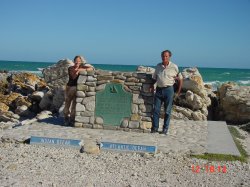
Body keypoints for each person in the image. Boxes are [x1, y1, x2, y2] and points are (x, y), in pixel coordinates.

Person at [151, 50, 183, 135]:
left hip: (169, 90)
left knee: (167, 111)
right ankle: (155, 128)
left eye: (166, 56)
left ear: (169, 57)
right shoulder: (158, 66)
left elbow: (180, 79)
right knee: (156, 110)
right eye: (163, 56)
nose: (164, 58)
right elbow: (154, 78)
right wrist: (151, 86)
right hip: (158, 90)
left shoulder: (174, 67)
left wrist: (178, 92)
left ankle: (165, 129)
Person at [64, 55, 94, 126]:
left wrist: (80, 70)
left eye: (79, 61)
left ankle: (71, 119)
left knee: (74, 104)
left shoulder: (82, 68)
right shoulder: (70, 68)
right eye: (76, 61)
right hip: (69, 88)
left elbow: (91, 68)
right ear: (74, 61)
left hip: (76, 89)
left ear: (81, 61)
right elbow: (73, 77)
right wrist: (77, 70)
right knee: (67, 103)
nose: (77, 62)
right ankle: (65, 118)